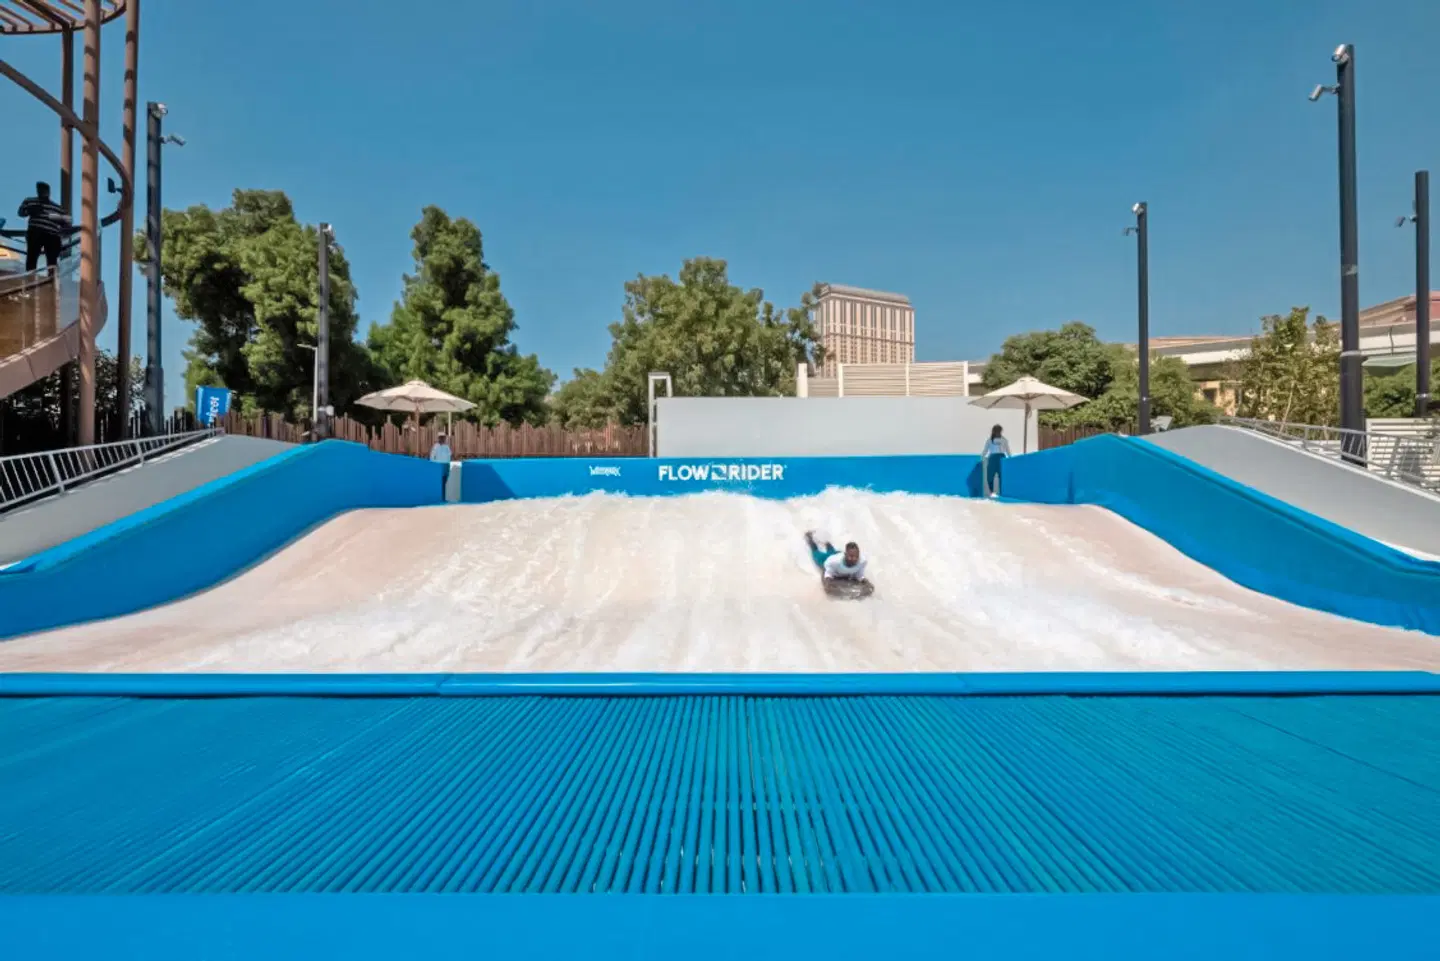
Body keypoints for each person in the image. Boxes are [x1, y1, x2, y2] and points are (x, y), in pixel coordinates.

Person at [17, 182, 70, 272]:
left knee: (51, 259)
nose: (41, 193)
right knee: (32, 257)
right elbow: (20, 212)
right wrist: (30, 211)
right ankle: (32, 276)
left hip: (51, 235)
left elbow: (67, 222)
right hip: (36, 232)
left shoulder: (56, 207)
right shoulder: (30, 201)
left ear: (48, 192)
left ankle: (50, 277)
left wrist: (53, 217)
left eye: (43, 191)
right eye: (40, 190)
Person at [981, 424, 1011, 497]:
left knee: (1002, 476)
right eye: (996, 431)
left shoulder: (1004, 440)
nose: (998, 432)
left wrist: (1010, 458)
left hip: (1001, 458)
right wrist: (982, 457)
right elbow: (985, 450)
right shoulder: (989, 440)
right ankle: (991, 492)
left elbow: (1007, 450)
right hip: (992, 458)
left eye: (999, 431)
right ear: (993, 431)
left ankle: (1002, 493)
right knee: (989, 476)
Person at [429, 432, 452, 499]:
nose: (442, 439)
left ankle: (443, 497)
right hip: (438, 466)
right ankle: (438, 497)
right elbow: (432, 457)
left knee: (444, 482)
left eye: (443, 437)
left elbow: (449, 456)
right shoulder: (435, 446)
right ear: (438, 438)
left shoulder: (446, 447)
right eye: (441, 437)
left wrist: (448, 464)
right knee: (439, 482)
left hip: (445, 465)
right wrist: (434, 465)